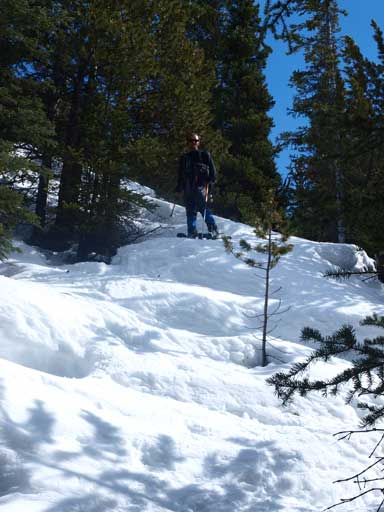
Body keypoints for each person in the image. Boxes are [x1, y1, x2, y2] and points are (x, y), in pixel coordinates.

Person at [175, 133, 219, 238]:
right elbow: (181, 174)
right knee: (190, 209)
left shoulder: (205, 155)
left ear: (199, 142)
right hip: (188, 187)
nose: (193, 143)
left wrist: (210, 181)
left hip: (201, 186)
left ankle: (213, 230)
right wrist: (179, 187)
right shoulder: (184, 157)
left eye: (195, 141)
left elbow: (213, 171)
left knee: (203, 207)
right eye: (191, 141)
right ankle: (192, 231)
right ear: (188, 143)